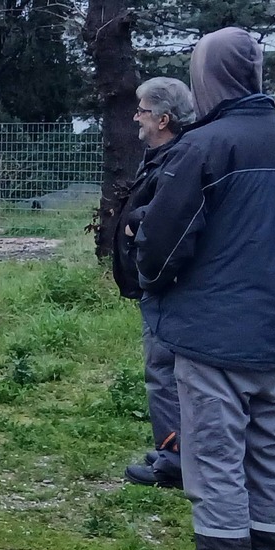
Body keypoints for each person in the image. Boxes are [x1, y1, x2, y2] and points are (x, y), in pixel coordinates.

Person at [137, 28, 275, 550]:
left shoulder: (205, 148)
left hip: (212, 337)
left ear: (206, 77)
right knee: (272, 460)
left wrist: (158, 286)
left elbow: (162, 247)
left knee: (214, 463)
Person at [114, 76, 194, 488]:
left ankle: (174, 461)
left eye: (142, 111)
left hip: (166, 285)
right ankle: (175, 447)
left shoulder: (178, 158)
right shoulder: (165, 155)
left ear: (163, 118)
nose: (136, 118)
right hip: (159, 283)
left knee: (163, 371)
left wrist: (135, 228)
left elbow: (167, 218)